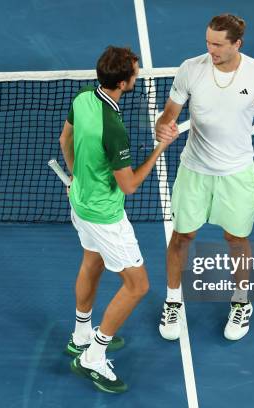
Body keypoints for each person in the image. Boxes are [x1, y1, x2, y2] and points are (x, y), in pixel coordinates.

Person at [155, 14, 254, 341]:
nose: (210, 49)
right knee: (181, 237)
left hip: (237, 173)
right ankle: (173, 300)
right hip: (194, 171)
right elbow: (169, 113)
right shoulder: (190, 68)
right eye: (208, 42)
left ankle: (241, 302)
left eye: (217, 44)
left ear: (236, 44)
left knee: (236, 239)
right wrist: (163, 125)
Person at [59, 46, 178, 393]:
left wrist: (76, 178)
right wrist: (161, 146)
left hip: (80, 203)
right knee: (138, 285)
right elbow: (129, 186)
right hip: (105, 216)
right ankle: (93, 356)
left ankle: (81, 334)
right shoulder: (113, 129)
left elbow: (65, 139)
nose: (137, 77)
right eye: (135, 74)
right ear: (124, 83)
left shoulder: (83, 97)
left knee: (91, 262)